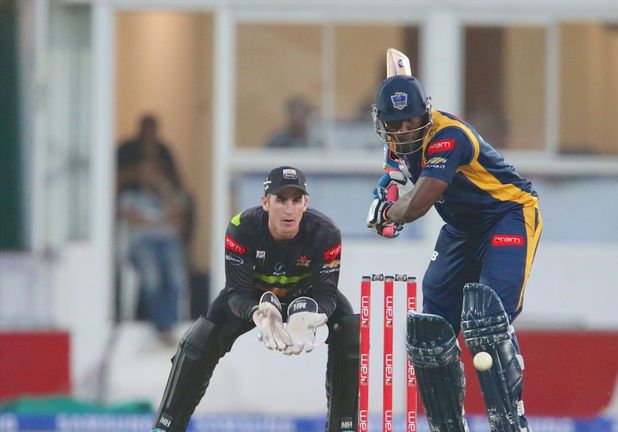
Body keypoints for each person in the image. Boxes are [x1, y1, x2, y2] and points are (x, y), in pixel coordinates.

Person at [366, 75, 542, 432]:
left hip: (506, 214)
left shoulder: (450, 136)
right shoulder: (399, 144)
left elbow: (419, 203)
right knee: (430, 332)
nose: (403, 130)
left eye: (410, 121)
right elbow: (401, 177)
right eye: (394, 124)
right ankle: (447, 425)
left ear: (425, 115)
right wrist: (394, 187)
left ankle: (511, 422)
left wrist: (387, 213)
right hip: (461, 228)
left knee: (487, 319)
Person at [152, 166, 360, 432]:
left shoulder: (326, 231)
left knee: (350, 330)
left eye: (296, 200)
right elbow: (236, 292)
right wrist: (259, 312)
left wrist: (309, 313)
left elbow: (328, 294)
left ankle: (344, 428)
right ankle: (166, 426)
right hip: (254, 297)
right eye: (281, 200)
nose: (289, 209)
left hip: (305, 297)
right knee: (199, 339)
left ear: (305, 203)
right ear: (265, 202)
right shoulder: (242, 227)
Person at [117, 114, 192, 344]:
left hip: (167, 240)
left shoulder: (165, 156)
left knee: (176, 278)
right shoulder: (130, 189)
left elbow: (179, 218)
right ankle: (164, 328)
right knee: (152, 278)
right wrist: (162, 221)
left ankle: (169, 327)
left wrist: (161, 185)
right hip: (142, 241)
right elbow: (132, 219)